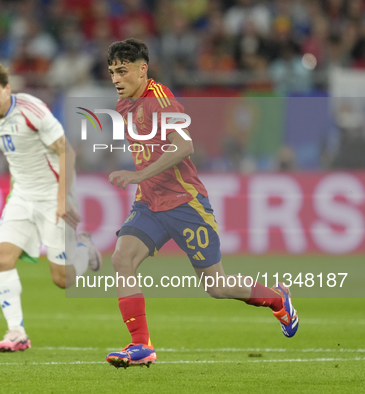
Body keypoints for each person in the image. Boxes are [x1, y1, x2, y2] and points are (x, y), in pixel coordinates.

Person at [103, 39, 299, 368]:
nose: (115, 78)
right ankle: (141, 346)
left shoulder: (160, 99)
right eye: (111, 72)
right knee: (122, 259)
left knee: (217, 286)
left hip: (184, 205)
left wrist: (140, 175)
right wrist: (141, 179)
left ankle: (278, 298)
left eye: (122, 71)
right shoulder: (125, 105)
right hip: (150, 204)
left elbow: (184, 147)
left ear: (142, 69)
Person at [0, 62, 101, 352]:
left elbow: (66, 150)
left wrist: (61, 200)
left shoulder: (33, 110)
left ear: (8, 88)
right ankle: (16, 333)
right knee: (1, 258)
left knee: (62, 280)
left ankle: (83, 251)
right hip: (22, 196)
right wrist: (15, 197)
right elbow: (19, 161)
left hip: (53, 194)